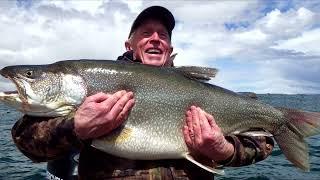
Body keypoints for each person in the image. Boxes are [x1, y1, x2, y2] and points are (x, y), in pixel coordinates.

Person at [11, 6, 274, 180]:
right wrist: (76, 128)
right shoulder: (95, 82)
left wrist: (224, 150)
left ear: (169, 49)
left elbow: (264, 143)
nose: (155, 38)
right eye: (146, 33)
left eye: (163, 35)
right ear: (130, 44)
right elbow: (26, 141)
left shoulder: (197, 90)